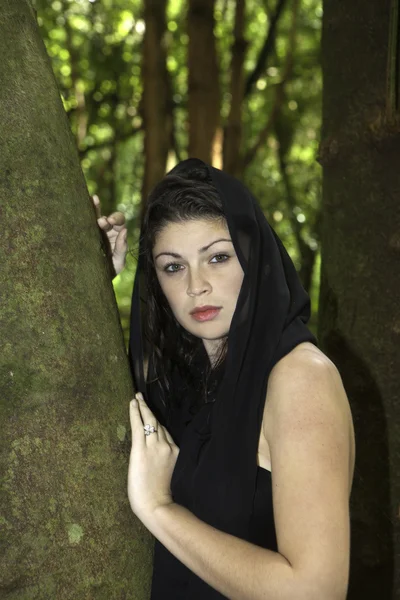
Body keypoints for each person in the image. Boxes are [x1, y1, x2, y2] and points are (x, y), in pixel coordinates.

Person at [95, 158, 356, 600]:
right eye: (173, 267)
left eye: (218, 257)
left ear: (255, 260)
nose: (197, 285)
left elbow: (315, 591)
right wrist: (94, 277)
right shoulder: (193, 380)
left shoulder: (300, 379)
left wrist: (159, 509)